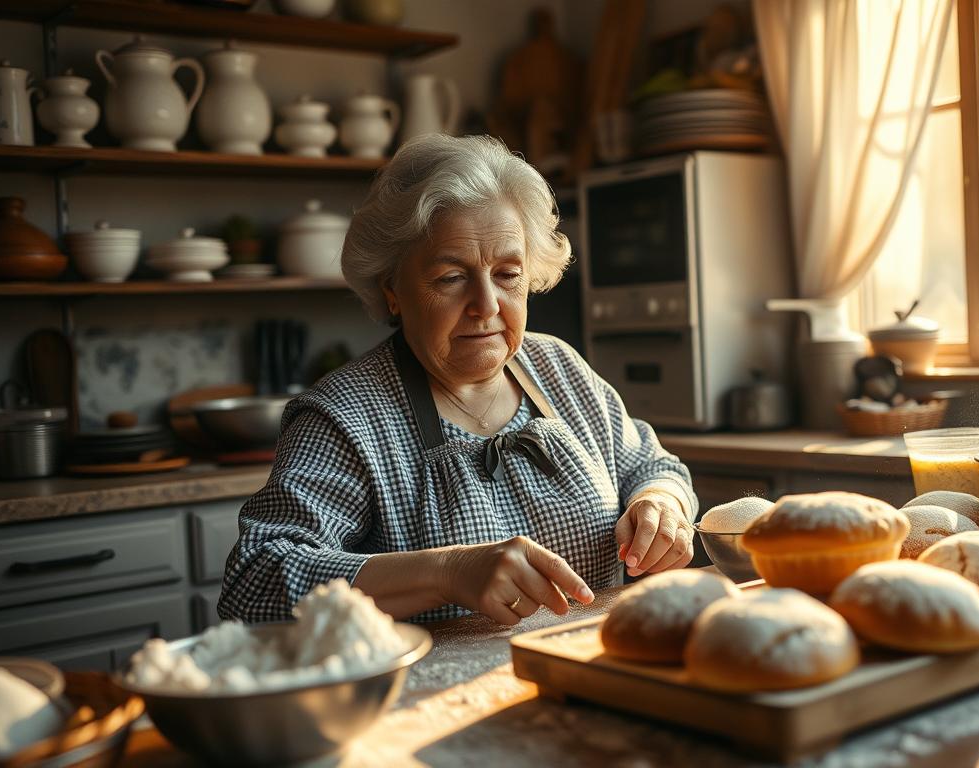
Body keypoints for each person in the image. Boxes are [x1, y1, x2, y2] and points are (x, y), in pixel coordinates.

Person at [219, 134, 697, 625]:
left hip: (585, 670)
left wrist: (659, 502)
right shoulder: (345, 417)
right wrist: (447, 571)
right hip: (428, 696)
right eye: (451, 277)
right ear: (393, 290)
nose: (487, 305)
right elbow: (255, 580)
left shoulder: (559, 369)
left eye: (508, 274)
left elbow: (651, 464)